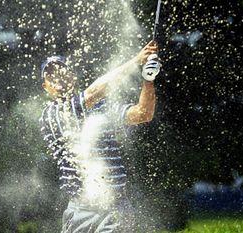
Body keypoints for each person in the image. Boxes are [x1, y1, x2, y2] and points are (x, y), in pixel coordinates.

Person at [39, 40, 160, 232]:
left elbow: (143, 113)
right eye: (51, 75)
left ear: (72, 76)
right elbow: (93, 93)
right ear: (45, 86)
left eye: (62, 71)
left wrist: (148, 78)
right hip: (80, 211)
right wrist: (136, 61)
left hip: (115, 209)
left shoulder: (100, 108)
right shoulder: (50, 115)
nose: (58, 77)